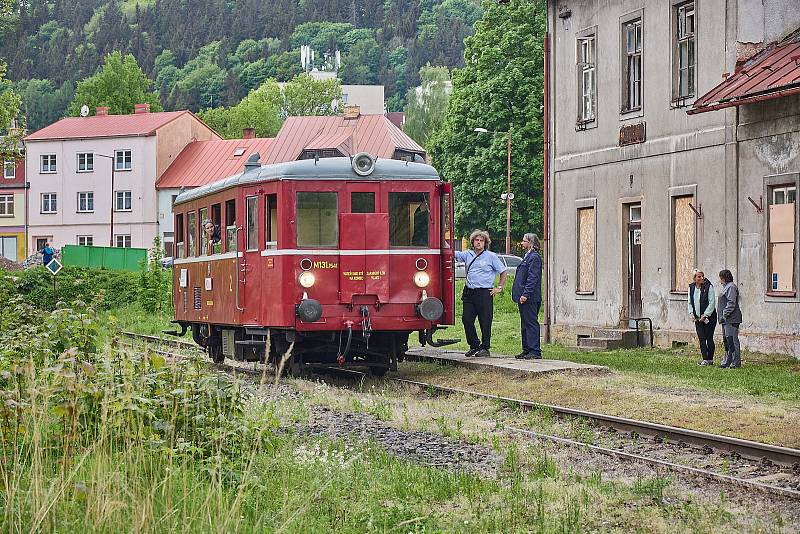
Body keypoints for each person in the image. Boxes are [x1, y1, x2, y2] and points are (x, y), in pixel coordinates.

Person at [454, 230, 509, 358]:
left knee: (485, 321)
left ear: (485, 243)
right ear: (472, 242)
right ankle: (474, 345)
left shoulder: (491, 256)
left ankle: (485, 348)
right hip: (469, 292)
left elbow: (503, 271)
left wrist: (499, 287)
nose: (478, 243)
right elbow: (452, 252)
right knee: (467, 320)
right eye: (476, 240)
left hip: (484, 292)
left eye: (481, 241)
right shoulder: (467, 254)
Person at [511, 233, 543, 360]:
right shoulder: (527, 256)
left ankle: (535, 350)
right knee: (525, 324)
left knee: (531, 323)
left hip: (530, 297)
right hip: (522, 297)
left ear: (530, 242)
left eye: (524, 241)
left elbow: (532, 278)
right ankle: (527, 349)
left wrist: (525, 294)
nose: (522, 243)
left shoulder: (534, 257)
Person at [688, 270, 717, 366]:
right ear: (694, 278)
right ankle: (705, 359)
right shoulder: (691, 287)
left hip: (709, 318)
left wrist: (705, 315)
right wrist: (691, 313)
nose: (701, 278)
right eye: (699, 277)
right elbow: (690, 302)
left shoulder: (709, 287)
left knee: (709, 337)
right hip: (698, 318)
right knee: (701, 338)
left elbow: (712, 303)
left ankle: (710, 359)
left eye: (702, 276)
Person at [717, 269, 743, 369]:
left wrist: (724, 314)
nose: (720, 280)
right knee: (727, 341)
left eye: (720, 278)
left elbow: (731, 303)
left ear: (724, 278)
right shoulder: (726, 287)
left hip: (731, 319)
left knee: (732, 340)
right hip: (726, 320)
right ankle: (727, 361)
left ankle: (735, 363)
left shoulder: (731, 287)